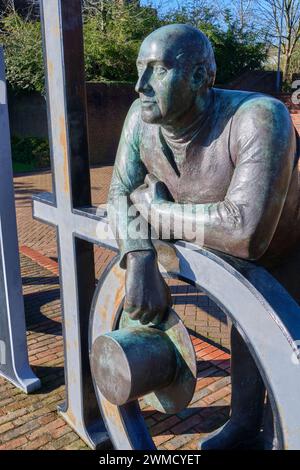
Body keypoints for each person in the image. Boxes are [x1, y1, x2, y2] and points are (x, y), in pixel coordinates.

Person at [108, 24, 300, 449]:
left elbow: (245, 230)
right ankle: (244, 424)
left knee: (284, 347)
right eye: (139, 69)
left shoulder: (260, 117)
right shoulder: (140, 121)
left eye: (156, 70)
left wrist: (157, 211)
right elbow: (119, 193)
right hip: (237, 261)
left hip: (287, 253)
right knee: (245, 332)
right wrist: (138, 253)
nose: (139, 86)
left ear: (199, 76)